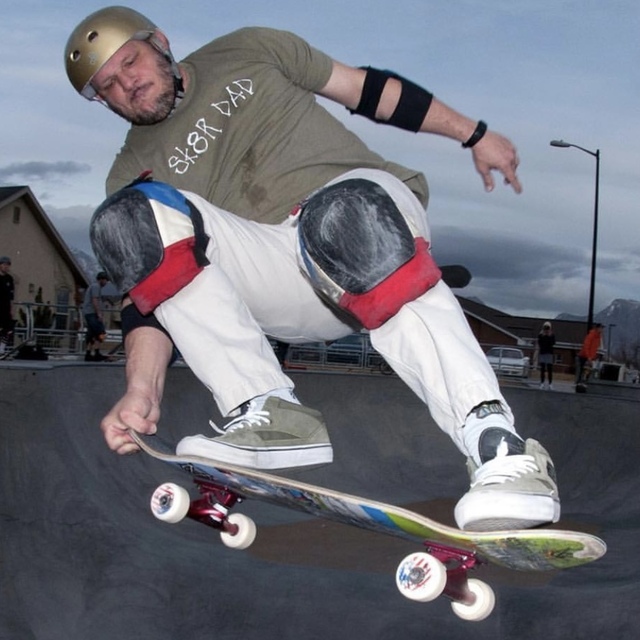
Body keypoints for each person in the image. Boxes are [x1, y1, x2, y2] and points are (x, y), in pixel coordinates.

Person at [64, 6, 560, 531]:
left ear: (160, 42)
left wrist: (474, 134)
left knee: (340, 217)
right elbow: (150, 301)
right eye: (109, 85)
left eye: (131, 62)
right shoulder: (130, 171)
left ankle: (499, 447)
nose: (128, 84)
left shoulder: (247, 48)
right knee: (125, 217)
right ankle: (266, 409)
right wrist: (142, 390)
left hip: (366, 216)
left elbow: (367, 91)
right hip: (279, 274)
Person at [82, 271, 110, 361]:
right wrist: (99, 313)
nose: (106, 282)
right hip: (92, 313)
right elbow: (95, 300)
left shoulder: (93, 286)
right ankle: (97, 353)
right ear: (101, 279)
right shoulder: (96, 287)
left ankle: (88, 353)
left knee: (91, 333)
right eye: (105, 280)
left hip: (88, 313)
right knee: (101, 332)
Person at [0, 256, 15, 353]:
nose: (6, 267)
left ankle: (1, 349)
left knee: (7, 329)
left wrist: (12, 309)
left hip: (6, 307)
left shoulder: (9, 279)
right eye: (4, 264)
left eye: (8, 265)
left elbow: (11, 296)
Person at [537, 322, 556, 390]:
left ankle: (550, 384)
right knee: (542, 369)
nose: (546, 329)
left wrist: (549, 336)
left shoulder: (552, 335)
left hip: (549, 353)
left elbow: (553, 343)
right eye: (545, 327)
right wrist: (544, 336)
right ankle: (542, 383)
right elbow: (540, 343)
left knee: (549, 369)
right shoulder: (540, 335)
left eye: (548, 327)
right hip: (543, 353)